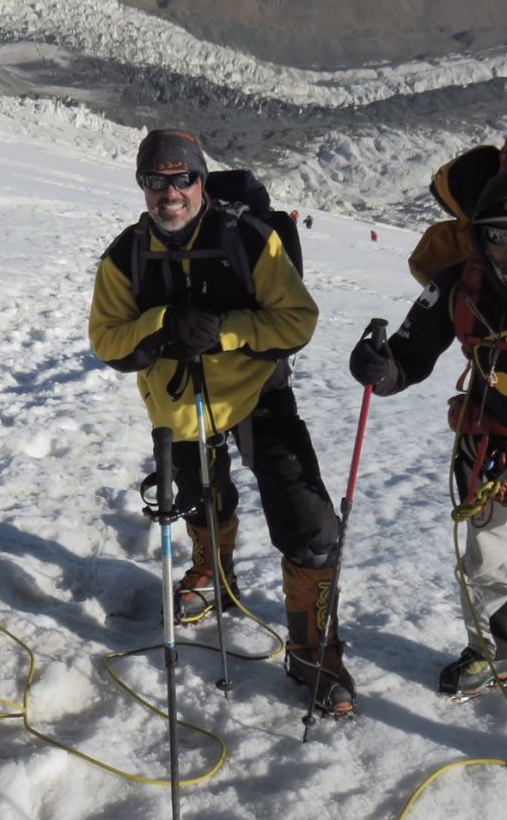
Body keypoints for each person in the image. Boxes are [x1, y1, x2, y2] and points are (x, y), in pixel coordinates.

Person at [89, 128, 355, 714]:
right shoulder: (126, 254)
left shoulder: (249, 239)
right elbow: (106, 339)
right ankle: (214, 575)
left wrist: (224, 329)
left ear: (201, 180)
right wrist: (161, 324)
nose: (170, 193)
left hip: (258, 392)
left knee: (308, 518)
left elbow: (297, 321)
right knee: (201, 500)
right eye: (156, 181)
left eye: (182, 178)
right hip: (181, 406)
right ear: (142, 186)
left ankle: (313, 648)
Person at [349, 154, 507, 698]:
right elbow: (410, 353)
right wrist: (381, 368)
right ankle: (495, 655)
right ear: (478, 234)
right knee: (486, 563)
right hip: (493, 446)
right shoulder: (459, 285)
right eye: (498, 236)